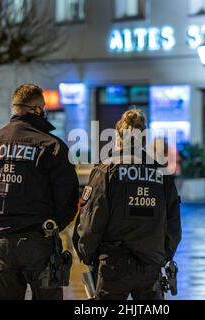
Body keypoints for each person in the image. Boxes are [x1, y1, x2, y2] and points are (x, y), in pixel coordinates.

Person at [0, 84, 79, 300]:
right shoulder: (52, 146)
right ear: (37, 109)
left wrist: (1, 219)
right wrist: (54, 223)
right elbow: (68, 199)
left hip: (2, 242)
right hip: (40, 238)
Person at [75, 109, 182, 300]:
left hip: (114, 264)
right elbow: (173, 222)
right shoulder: (161, 173)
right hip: (151, 262)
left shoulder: (106, 170)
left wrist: (87, 255)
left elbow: (92, 219)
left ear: (118, 138)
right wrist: (163, 255)